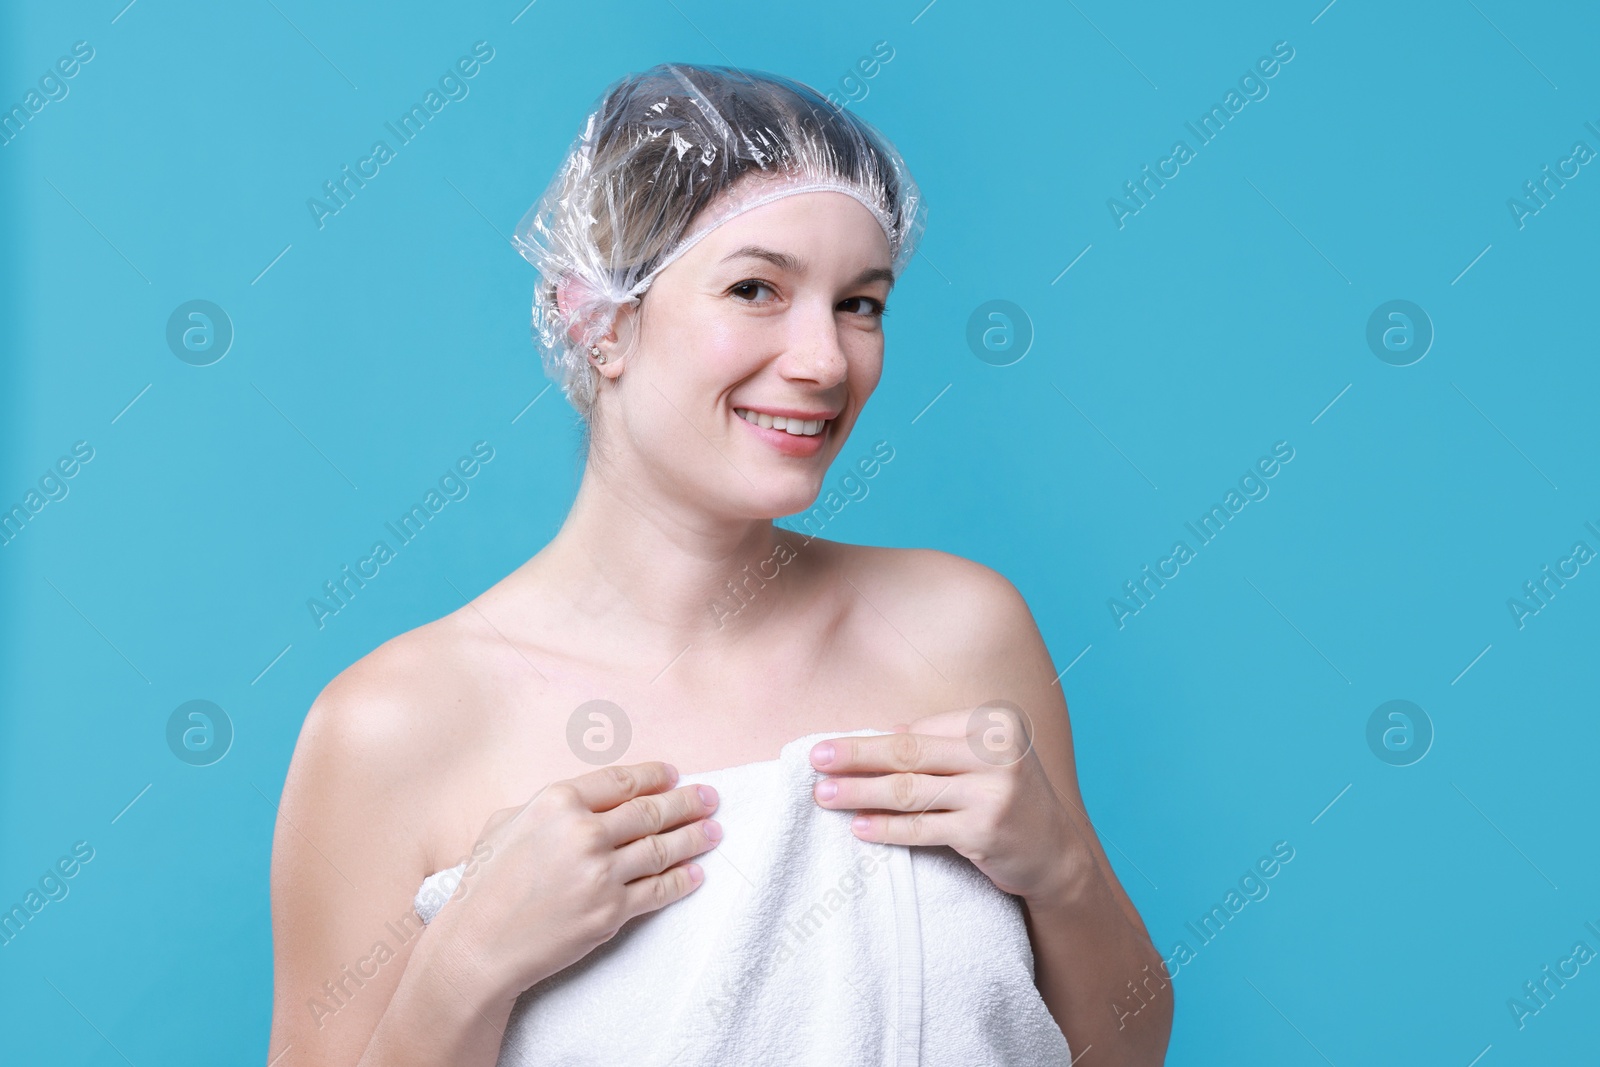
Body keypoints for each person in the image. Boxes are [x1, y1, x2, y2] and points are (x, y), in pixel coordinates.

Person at [268, 62, 1172, 1066]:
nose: (825, 360)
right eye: (755, 288)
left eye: (860, 303)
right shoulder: (394, 725)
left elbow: (1124, 1050)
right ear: (597, 316)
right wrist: (464, 967)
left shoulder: (959, 628)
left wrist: (1063, 874)